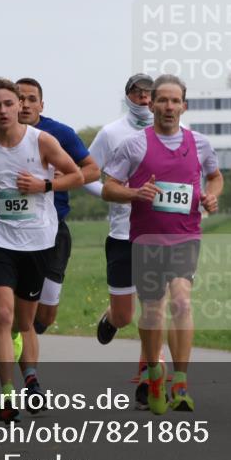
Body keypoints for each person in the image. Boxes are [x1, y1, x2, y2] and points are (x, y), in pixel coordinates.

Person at [0, 77, 83, 423]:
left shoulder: (42, 141)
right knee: (3, 316)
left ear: (19, 108)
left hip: (38, 240)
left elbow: (78, 175)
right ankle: (7, 394)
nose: (4, 110)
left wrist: (45, 184)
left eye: (9, 104)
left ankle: (32, 379)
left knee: (26, 322)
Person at [102, 74, 222, 414]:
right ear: (151, 104)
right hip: (146, 239)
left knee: (182, 302)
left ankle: (180, 381)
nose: (168, 106)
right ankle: (154, 371)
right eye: (162, 100)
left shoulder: (199, 143)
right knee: (153, 310)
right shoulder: (134, 145)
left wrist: (211, 197)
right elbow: (109, 187)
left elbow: (214, 176)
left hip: (186, 236)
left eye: (175, 101)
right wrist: (134, 193)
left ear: (184, 106)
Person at [15, 77, 100, 408]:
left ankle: (27, 337)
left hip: (53, 230)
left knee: (46, 317)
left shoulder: (58, 134)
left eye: (30, 99)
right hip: (14, 234)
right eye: (18, 98)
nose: (23, 104)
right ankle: (31, 378)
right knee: (21, 313)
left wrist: (48, 185)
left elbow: (91, 170)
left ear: (41, 105)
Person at [85, 73, 156, 408]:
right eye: (137, 94)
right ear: (127, 97)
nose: (143, 100)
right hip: (122, 233)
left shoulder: (170, 135)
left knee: (154, 310)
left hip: (159, 234)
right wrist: (112, 195)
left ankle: (148, 379)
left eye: (148, 94)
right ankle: (112, 317)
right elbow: (86, 173)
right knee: (127, 315)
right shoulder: (111, 133)